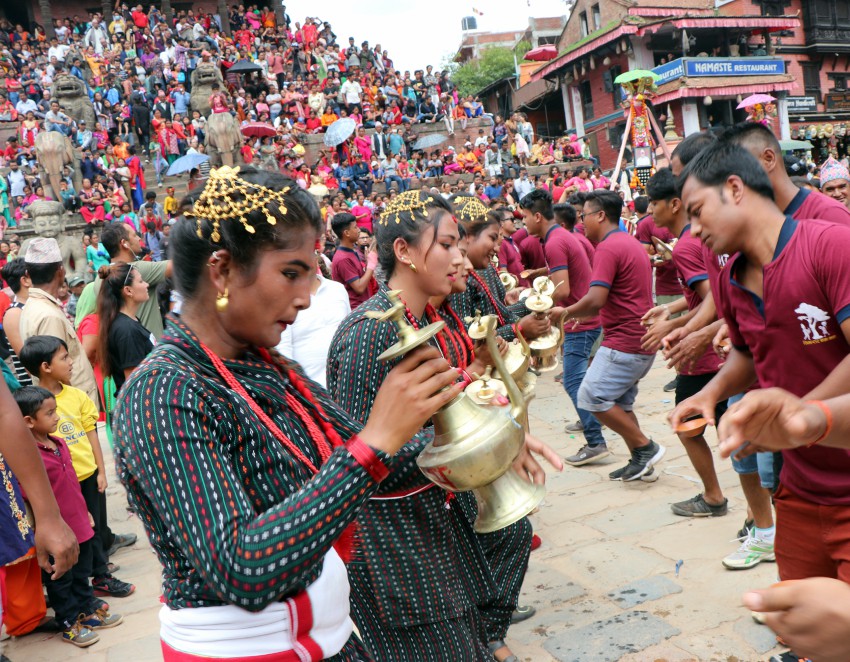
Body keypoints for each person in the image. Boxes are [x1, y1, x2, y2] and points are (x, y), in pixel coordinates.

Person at [111, 165, 460, 660]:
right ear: (223, 270)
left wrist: (470, 443)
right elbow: (242, 567)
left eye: (311, 273)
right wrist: (374, 442)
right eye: (292, 273)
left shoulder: (268, 364)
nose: (306, 295)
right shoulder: (162, 393)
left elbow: (369, 457)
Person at [328, 190, 559, 660]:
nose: (461, 258)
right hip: (396, 544)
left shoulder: (428, 317)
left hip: (438, 518)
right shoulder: (371, 330)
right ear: (405, 252)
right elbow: (354, 451)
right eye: (448, 245)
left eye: (459, 245)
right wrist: (482, 445)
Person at [671, 142, 850, 587]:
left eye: (697, 211)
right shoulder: (728, 278)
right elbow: (751, 353)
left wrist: (793, 414)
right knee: (804, 621)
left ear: (734, 188)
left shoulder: (830, 246)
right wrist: (710, 393)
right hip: (800, 488)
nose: (693, 231)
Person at [559, 190, 665, 480]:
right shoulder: (628, 243)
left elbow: (596, 298)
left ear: (601, 215)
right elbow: (617, 297)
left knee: (590, 396)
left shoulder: (608, 247)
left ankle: (646, 447)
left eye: (585, 216)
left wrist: (566, 314)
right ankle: (642, 462)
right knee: (621, 404)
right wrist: (587, 317)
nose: (582, 223)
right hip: (638, 339)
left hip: (626, 342)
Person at [19, 336, 136, 598]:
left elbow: (91, 432)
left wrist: (101, 471)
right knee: (72, 531)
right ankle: (74, 584)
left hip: (88, 476)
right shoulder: (33, 403)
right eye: (64, 357)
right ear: (45, 366)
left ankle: (102, 575)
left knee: (94, 529)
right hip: (59, 485)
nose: (71, 362)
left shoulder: (77, 396)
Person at [642, 168, 728, 517]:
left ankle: (714, 496)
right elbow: (700, 295)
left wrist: (676, 327)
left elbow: (713, 298)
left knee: (688, 426)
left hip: (706, 356)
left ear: (675, 204)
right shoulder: (694, 243)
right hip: (709, 352)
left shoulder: (689, 246)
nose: (650, 211)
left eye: (654, 203)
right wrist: (673, 312)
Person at [13, 385, 123, 647]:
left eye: (56, 411)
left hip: (79, 522)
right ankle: (68, 622)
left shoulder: (59, 443)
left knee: (82, 571)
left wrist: (84, 509)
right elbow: (28, 495)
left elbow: (71, 481)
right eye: (50, 414)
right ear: (28, 421)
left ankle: (85, 612)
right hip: (56, 531)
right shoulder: (28, 458)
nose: (57, 418)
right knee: (62, 581)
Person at [521, 189, 607, 468]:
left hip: (578, 321)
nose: (523, 224)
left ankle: (595, 442)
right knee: (580, 381)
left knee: (572, 381)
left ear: (537, 216)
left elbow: (562, 290)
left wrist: (528, 306)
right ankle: (591, 424)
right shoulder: (561, 236)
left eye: (524, 218)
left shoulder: (554, 242)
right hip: (582, 317)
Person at [19, 238, 99, 406]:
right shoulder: (48, 315)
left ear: (28, 274)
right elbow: (57, 373)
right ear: (61, 271)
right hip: (73, 410)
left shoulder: (34, 306)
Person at [74, 222, 172, 340]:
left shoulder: (100, 279)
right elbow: (180, 264)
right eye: (135, 235)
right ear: (124, 243)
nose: (139, 238)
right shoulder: (136, 270)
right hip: (148, 349)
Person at [276, 270, 350, 389]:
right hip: (311, 394)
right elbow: (283, 352)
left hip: (344, 388)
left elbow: (349, 336)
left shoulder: (338, 289)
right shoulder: (285, 298)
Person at [96, 263, 155, 395]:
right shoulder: (126, 330)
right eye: (140, 281)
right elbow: (134, 384)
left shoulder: (129, 322)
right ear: (128, 290)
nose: (146, 285)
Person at [331, 212, 377, 310]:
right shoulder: (343, 259)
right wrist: (371, 265)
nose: (359, 230)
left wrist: (368, 263)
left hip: (364, 305)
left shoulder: (352, 251)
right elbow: (359, 288)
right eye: (355, 227)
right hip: (356, 310)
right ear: (347, 233)